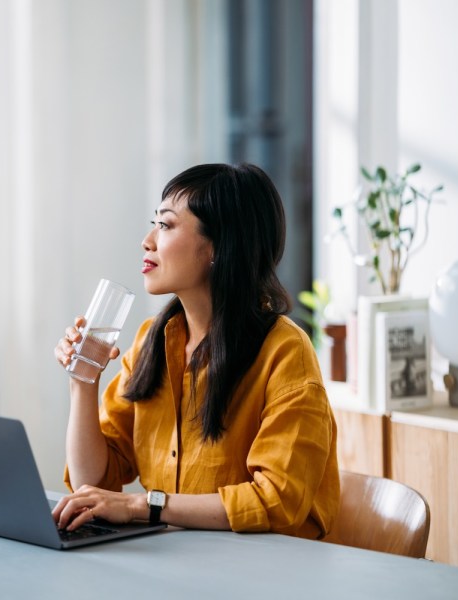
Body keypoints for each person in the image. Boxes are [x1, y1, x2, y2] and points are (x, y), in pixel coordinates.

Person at [52, 163, 339, 539]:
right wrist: (83, 382)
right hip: (180, 561)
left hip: (270, 572)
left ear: (219, 246)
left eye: (166, 225)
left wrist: (143, 506)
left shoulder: (285, 352)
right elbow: (93, 481)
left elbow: (276, 500)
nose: (147, 240)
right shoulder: (151, 341)